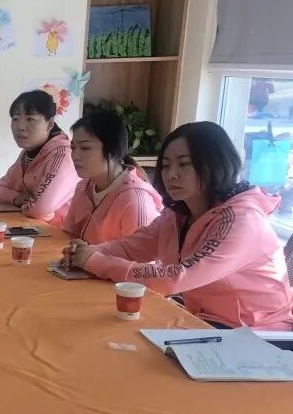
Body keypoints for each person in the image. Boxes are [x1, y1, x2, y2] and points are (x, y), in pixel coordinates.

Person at [64, 121, 293, 330]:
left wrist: (95, 261)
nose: (171, 175)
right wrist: (91, 251)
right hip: (202, 321)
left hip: (257, 335)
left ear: (216, 164)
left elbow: (176, 277)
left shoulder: (242, 221)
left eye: (184, 164)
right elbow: (136, 245)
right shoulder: (179, 214)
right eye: (165, 165)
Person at [60, 109, 163, 244]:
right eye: (73, 148)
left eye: (85, 148)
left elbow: (141, 256)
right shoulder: (83, 186)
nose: (75, 156)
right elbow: (68, 235)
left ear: (112, 150)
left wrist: (90, 254)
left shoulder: (135, 199)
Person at [0, 90, 78, 226]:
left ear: (49, 124)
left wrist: (30, 205)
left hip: (61, 233)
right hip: (32, 227)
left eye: (30, 119)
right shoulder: (29, 152)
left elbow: (40, 210)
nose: (20, 127)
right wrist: (18, 198)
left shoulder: (62, 155)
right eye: (15, 119)